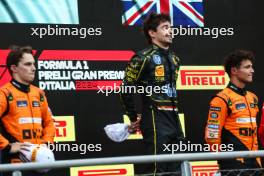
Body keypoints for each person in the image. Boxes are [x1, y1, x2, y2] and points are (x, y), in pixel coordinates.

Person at [120, 13, 185, 175]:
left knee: (179, 169)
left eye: (171, 27)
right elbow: (125, 89)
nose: (170, 31)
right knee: (158, 169)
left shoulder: (175, 58)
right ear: (152, 33)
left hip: (175, 120)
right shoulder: (142, 57)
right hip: (155, 120)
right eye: (165, 28)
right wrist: (134, 118)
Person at [0, 45, 55, 176]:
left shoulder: (39, 93)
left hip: (39, 161)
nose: (34, 68)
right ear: (14, 68)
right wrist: (7, 146)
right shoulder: (4, 93)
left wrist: (45, 143)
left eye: (34, 64)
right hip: (15, 163)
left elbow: (49, 122)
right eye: (28, 64)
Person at [204, 50, 261, 173]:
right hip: (233, 161)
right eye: (247, 67)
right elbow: (212, 135)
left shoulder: (253, 97)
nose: (252, 71)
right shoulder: (222, 98)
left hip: (255, 160)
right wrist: (220, 159)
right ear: (234, 71)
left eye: (252, 67)